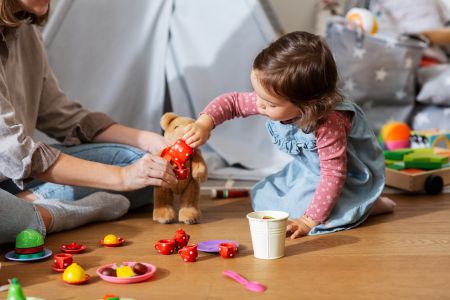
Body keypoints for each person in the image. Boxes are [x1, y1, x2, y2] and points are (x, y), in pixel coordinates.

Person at [183, 31, 396, 239]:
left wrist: (308, 220)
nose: (259, 104)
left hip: (344, 177)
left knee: (301, 212)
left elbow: (333, 175)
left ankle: (367, 203)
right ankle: (358, 205)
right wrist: (205, 123)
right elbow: (232, 103)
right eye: (257, 94)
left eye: (270, 103)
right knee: (266, 196)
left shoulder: (328, 122)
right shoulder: (270, 97)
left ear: (307, 104)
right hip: (307, 170)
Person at [0, 0, 178, 244]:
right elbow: (15, 152)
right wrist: (122, 177)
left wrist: (149, 141)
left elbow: (60, 114)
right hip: (10, 179)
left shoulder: (26, 31)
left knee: (153, 173)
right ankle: (58, 213)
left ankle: (24, 213)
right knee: (137, 177)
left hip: (14, 180)